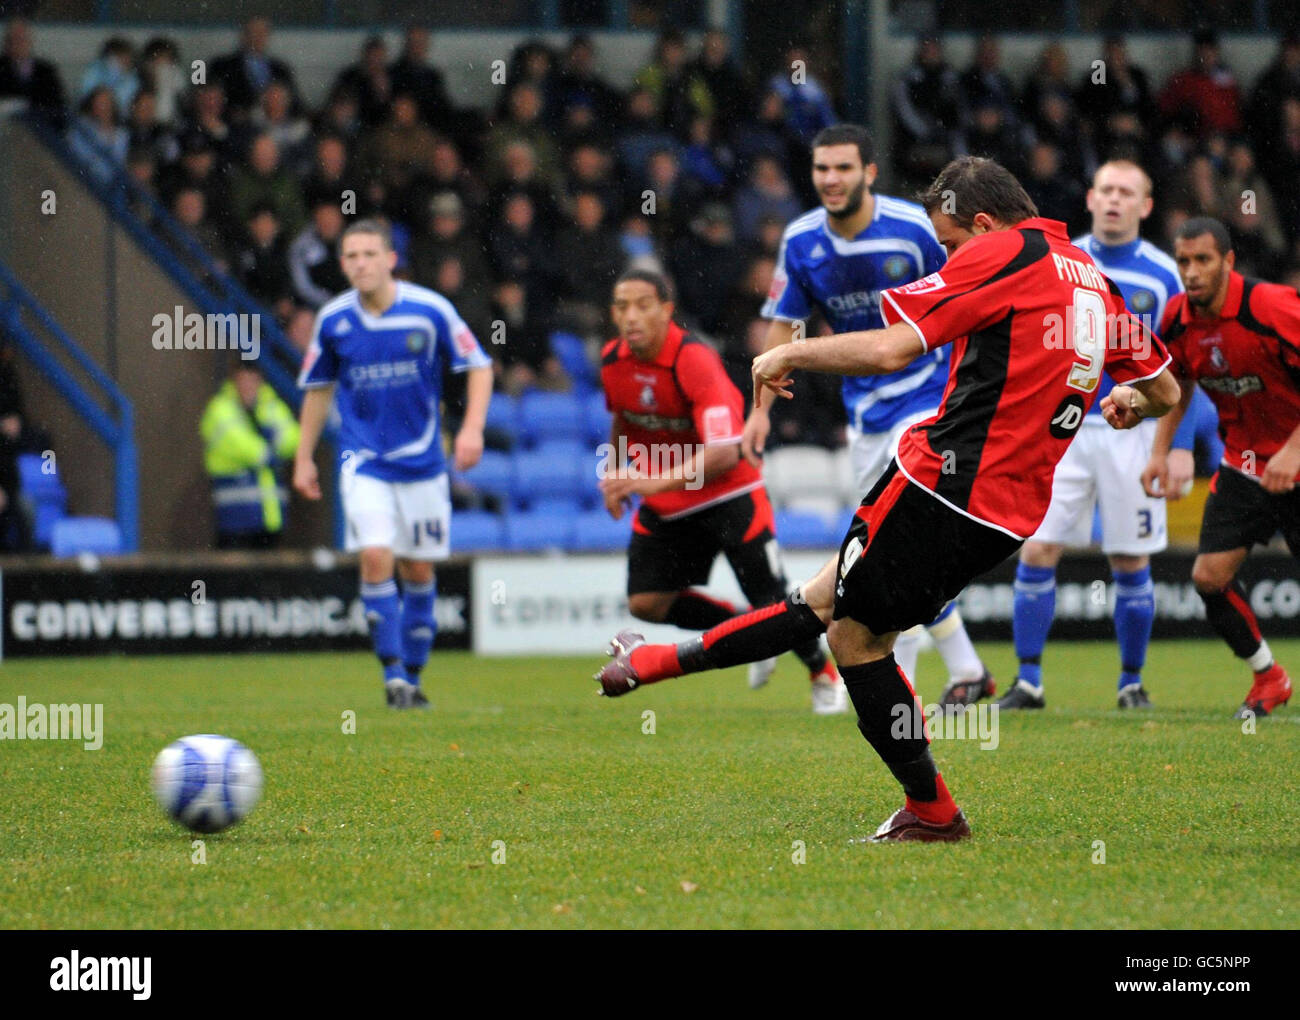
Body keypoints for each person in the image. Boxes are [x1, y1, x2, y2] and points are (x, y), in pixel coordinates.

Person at [596, 157, 1180, 842]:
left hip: (943, 483)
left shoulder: (1004, 252)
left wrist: (790, 354)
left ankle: (653, 667)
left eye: (952, 242)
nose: (950, 255)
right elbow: (1164, 391)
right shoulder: (1091, 276)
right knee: (852, 627)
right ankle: (924, 803)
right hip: (1011, 511)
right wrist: (1127, 403)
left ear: (984, 223)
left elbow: (892, 350)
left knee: (835, 620)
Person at [745, 123, 994, 704]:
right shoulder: (802, 241)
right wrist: (757, 410)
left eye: (843, 168)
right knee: (885, 551)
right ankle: (966, 671)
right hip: (864, 412)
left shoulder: (915, 230)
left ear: (869, 173)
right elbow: (785, 325)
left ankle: (896, 689)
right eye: (821, 169)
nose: (831, 179)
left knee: (893, 546)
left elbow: (968, 290)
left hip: (928, 400)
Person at [599, 268, 845, 714]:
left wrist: (645, 480)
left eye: (642, 305)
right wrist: (615, 469)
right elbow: (624, 417)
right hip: (669, 504)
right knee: (646, 604)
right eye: (621, 306)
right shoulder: (613, 360)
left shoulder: (693, 359)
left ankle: (822, 673)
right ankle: (748, 632)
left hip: (729, 496)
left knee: (773, 602)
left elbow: (724, 454)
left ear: (667, 311)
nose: (630, 316)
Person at [1007, 159, 1193, 710]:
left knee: (1130, 560)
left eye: (1126, 192)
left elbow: (1182, 368)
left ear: (1146, 205)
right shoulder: (1065, 261)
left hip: (1131, 435)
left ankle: (1131, 683)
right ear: (1089, 198)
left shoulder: (1165, 275)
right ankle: (1028, 682)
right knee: (1038, 549)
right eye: (1106, 190)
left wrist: (1179, 444)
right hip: (1060, 428)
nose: (1114, 200)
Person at [294, 218, 492, 709]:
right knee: (376, 555)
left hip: (424, 463)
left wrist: (471, 429)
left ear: (390, 260)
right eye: (351, 256)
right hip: (364, 462)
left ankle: (415, 675)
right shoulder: (334, 321)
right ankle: (393, 676)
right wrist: (303, 457)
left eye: (368, 254)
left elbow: (480, 365)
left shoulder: (429, 310)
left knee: (419, 571)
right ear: (342, 265)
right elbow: (319, 389)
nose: (360, 263)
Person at [1142, 217, 1300, 720]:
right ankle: (1269, 677)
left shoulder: (1273, 307)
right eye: (1183, 261)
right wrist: (1159, 452)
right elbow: (1176, 383)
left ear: (1229, 261)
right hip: (1244, 466)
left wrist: (1294, 452)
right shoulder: (1176, 317)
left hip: (1297, 460)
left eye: (1203, 260)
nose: (1190, 272)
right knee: (1209, 578)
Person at [200, 360, 299, 550]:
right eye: (243, 381)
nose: (248, 387)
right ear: (234, 381)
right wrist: (270, 452)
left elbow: (293, 438)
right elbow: (240, 445)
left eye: (253, 381)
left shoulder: (270, 406)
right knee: (233, 573)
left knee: (268, 574)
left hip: (270, 515)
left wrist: (272, 448)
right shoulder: (221, 408)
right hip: (234, 517)